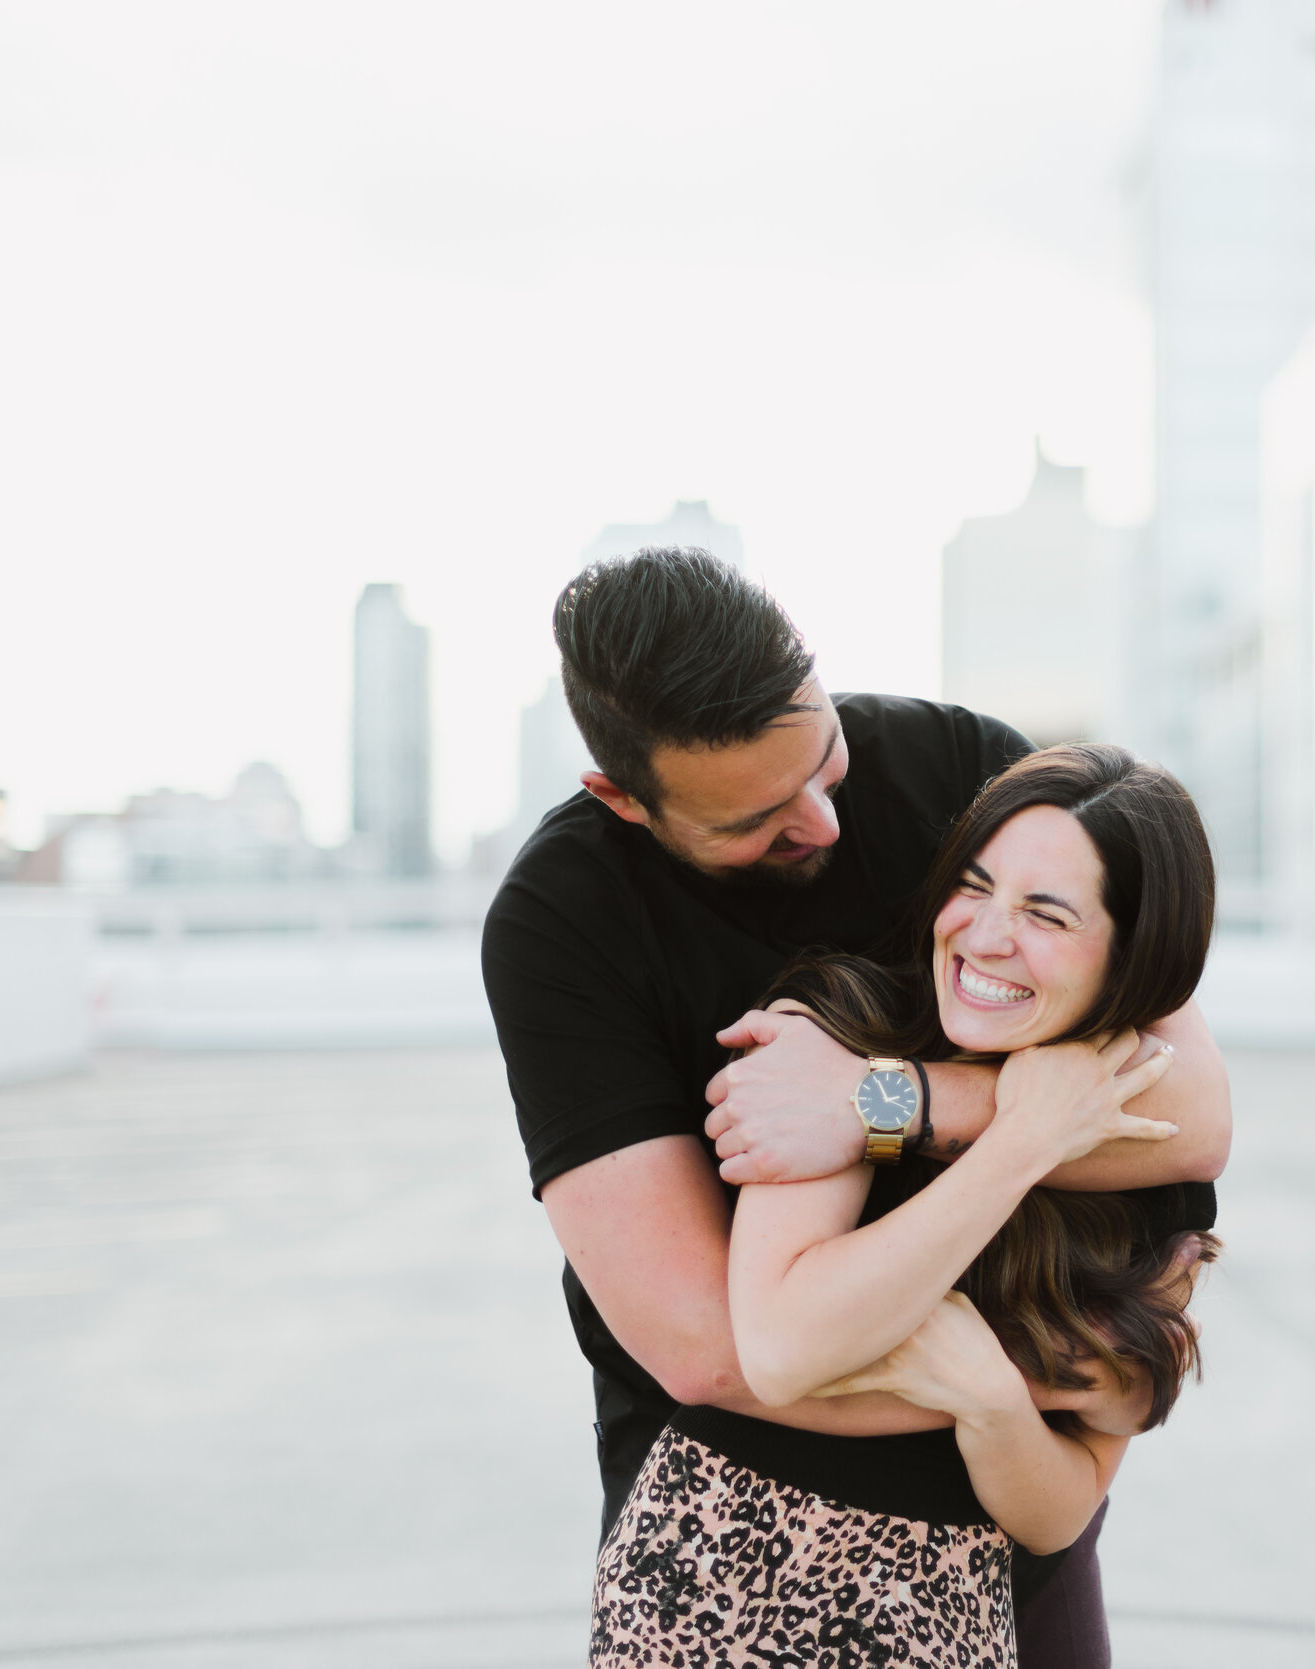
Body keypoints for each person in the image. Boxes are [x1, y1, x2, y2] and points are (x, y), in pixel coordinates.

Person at [481, 548, 1231, 1665]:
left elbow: (1192, 1114)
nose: (825, 825)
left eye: (824, 761)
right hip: (748, 1533)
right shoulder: (568, 923)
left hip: (1013, 1534)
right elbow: (721, 1351)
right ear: (623, 799)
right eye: (758, 820)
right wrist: (1072, 1366)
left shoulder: (961, 772)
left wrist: (888, 1102)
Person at [588, 742, 1222, 1666]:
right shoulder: (834, 1030)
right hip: (729, 1577)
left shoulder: (1152, 1173)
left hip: (949, 1607)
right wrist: (1018, 1144)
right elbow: (785, 1342)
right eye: (975, 883)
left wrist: (993, 1400)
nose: (985, 935)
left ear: (1135, 957)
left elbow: (1064, 1506)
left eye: (1046, 913)